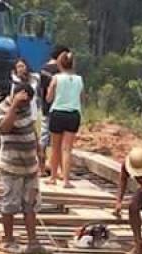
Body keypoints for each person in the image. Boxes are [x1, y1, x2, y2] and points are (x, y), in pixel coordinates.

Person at [0, 83, 46, 254]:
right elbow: (4, 128)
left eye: (27, 103)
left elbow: (32, 128)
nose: (25, 105)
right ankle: (8, 240)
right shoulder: (2, 108)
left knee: (31, 204)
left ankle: (33, 242)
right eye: (23, 102)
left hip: (30, 167)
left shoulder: (27, 109)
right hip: (12, 167)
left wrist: (39, 151)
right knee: (10, 203)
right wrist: (15, 106)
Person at [45, 51, 83, 188]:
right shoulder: (79, 79)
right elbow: (82, 98)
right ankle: (66, 180)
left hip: (58, 113)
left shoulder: (56, 78)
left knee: (55, 148)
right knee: (67, 149)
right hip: (73, 114)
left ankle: (53, 177)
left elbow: (49, 98)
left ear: (60, 64)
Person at [39, 46, 69, 161]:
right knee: (57, 140)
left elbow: (42, 90)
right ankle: (54, 166)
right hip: (59, 109)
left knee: (44, 137)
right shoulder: (60, 71)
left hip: (46, 107)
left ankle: (41, 165)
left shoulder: (43, 69)